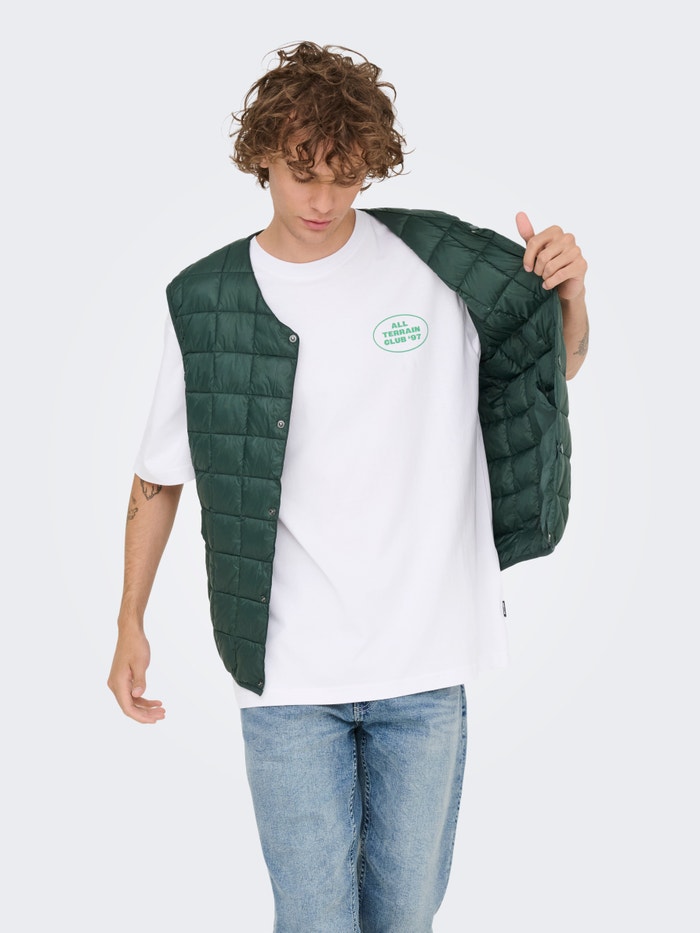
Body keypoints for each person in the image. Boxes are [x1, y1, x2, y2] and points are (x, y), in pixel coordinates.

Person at [108, 41, 589, 932]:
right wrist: (130, 619)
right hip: (288, 675)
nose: (324, 199)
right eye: (303, 173)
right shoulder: (206, 300)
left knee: (404, 918)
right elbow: (158, 472)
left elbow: (549, 366)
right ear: (262, 157)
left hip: (426, 662)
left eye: (345, 174)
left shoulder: (440, 264)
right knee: (314, 918)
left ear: (371, 163)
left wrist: (570, 294)